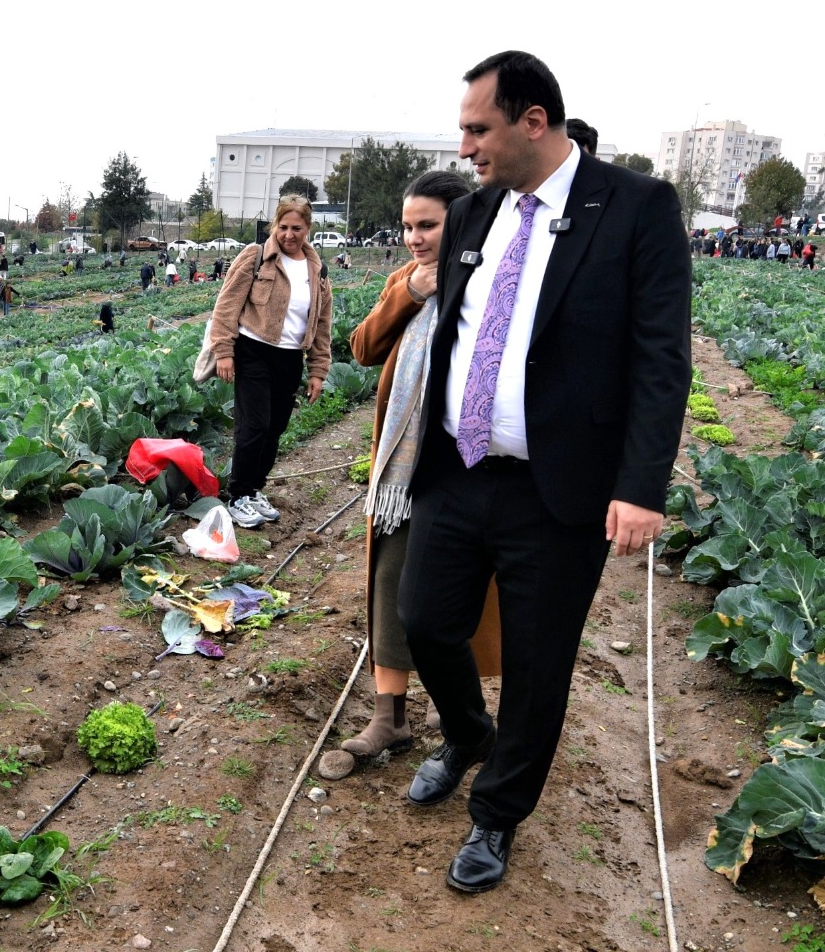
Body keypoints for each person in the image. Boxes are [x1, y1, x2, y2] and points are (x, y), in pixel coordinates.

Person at [398, 51, 690, 894]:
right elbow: (453, 331)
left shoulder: (635, 208)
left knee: (537, 661)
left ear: (534, 120)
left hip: (559, 489)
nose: (465, 148)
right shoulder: (477, 213)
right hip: (458, 468)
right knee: (425, 621)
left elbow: (660, 359)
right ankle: (465, 732)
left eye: (477, 129)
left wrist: (640, 487)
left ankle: (497, 815)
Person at [344, 171, 501, 757]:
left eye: (427, 224)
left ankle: (462, 717)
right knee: (391, 582)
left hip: (466, 464)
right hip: (405, 470)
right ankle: (390, 717)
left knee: (454, 598)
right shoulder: (406, 281)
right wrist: (408, 295)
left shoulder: (489, 280)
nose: (414, 236)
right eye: (409, 225)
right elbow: (362, 348)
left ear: (459, 220)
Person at [207, 195, 333, 529]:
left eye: (297, 228)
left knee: (276, 427)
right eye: (283, 227)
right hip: (253, 351)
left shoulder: (317, 271)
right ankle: (238, 495)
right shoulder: (256, 257)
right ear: (274, 226)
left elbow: (321, 325)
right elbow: (227, 305)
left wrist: (318, 371)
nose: (289, 234)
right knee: (255, 424)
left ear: (308, 228)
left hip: (290, 357)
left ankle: (255, 488)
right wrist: (224, 351)